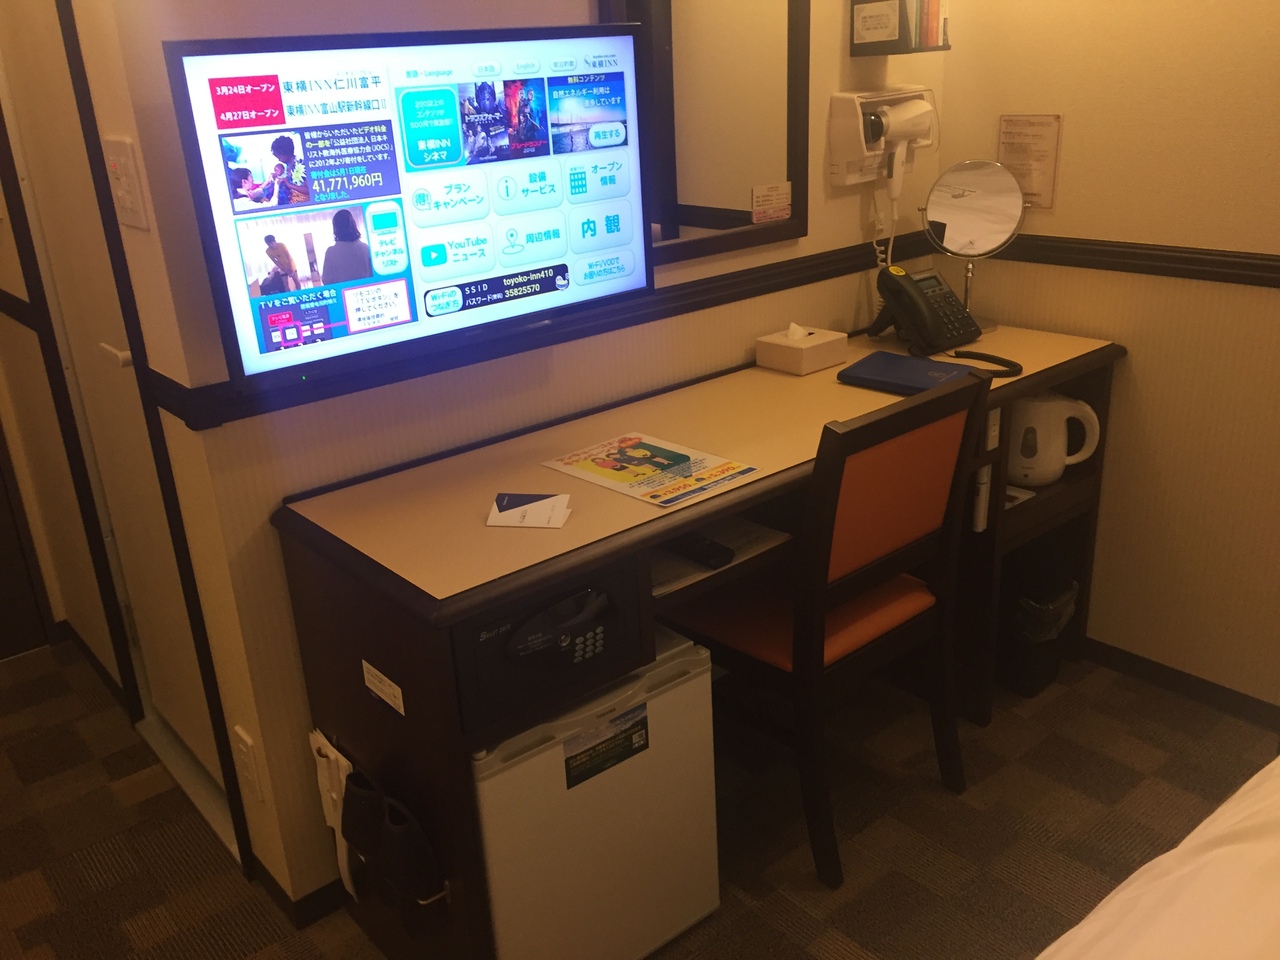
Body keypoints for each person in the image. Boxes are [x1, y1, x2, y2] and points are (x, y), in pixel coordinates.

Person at [321, 209, 373, 285]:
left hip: (341, 291)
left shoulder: (331, 252)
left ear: (336, 228)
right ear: (354, 225)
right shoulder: (366, 248)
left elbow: (326, 280)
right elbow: (372, 277)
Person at [270, 135, 310, 205]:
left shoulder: (302, 164)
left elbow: (308, 190)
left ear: (284, 154)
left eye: (279, 157)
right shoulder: (288, 165)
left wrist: (289, 185)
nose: (279, 159)